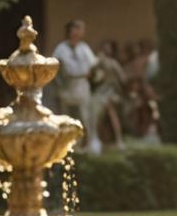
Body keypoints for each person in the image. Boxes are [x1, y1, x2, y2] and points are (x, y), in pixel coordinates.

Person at [52, 19, 98, 152]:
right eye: (76, 28)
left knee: (84, 117)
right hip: (67, 87)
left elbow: (93, 66)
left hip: (82, 86)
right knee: (66, 118)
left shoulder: (84, 48)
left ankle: (86, 145)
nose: (78, 32)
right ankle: (67, 146)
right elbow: (56, 66)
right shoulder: (61, 48)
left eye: (80, 29)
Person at [91, 40, 127, 150]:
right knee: (97, 117)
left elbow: (123, 78)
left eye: (109, 48)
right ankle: (97, 139)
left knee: (111, 115)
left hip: (110, 93)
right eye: (105, 47)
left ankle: (118, 139)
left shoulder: (112, 63)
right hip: (101, 93)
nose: (107, 50)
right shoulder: (99, 61)